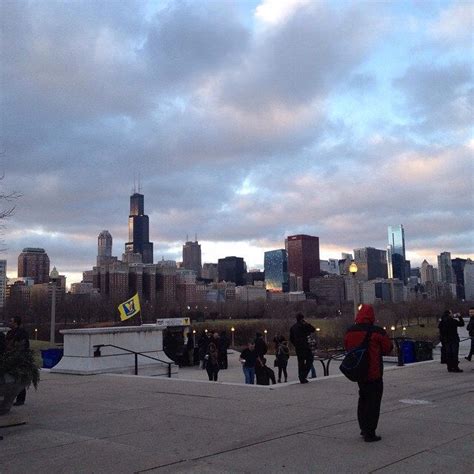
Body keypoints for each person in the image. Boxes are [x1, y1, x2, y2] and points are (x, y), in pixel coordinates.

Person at [344, 304, 393, 443]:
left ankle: (363, 427)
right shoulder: (377, 332)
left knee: (363, 399)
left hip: (359, 372)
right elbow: (387, 348)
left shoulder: (350, 331)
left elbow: (347, 347)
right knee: (373, 402)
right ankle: (370, 432)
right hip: (374, 373)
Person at [5, 316, 30, 406]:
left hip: (19, 358)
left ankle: (20, 399)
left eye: (11, 321)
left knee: (19, 378)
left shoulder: (22, 333)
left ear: (16, 322)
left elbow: (24, 345)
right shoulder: (10, 332)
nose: (9, 322)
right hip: (10, 358)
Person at [289, 313, 315, 384]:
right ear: (302, 319)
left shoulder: (293, 327)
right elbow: (313, 329)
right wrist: (307, 323)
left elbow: (291, 338)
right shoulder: (304, 325)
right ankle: (303, 375)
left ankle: (301, 377)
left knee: (300, 362)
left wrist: (296, 344)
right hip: (305, 346)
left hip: (298, 347)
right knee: (310, 359)